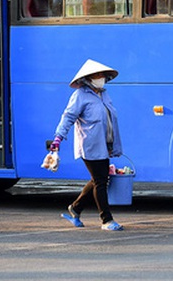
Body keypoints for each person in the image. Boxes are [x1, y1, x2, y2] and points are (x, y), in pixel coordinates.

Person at [49, 59, 124, 231]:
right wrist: (58, 139)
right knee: (100, 181)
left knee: (99, 178)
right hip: (90, 145)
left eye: (103, 75)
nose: (102, 78)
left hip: (104, 144)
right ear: (89, 78)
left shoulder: (104, 94)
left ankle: (75, 208)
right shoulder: (80, 95)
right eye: (98, 75)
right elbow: (68, 117)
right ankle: (107, 220)